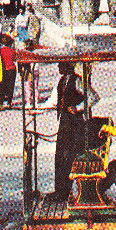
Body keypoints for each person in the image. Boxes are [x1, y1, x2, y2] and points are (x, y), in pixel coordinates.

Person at [46, 62, 87, 201]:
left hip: (75, 124)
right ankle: (60, 190)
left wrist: (78, 107)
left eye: (61, 64)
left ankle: (68, 191)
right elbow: (53, 100)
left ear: (68, 66)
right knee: (60, 156)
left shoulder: (78, 81)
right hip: (64, 122)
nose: (58, 67)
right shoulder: (62, 81)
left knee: (70, 156)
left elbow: (92, 97)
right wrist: (35, 111)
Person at [0, 34, 18, 108]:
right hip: (12, 69)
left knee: (3, 86)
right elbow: (15, 59)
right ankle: (9, 102)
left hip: (4, 69)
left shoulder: (1, 51)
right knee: (11, 86)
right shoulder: (12, 51)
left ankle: (2, 101)